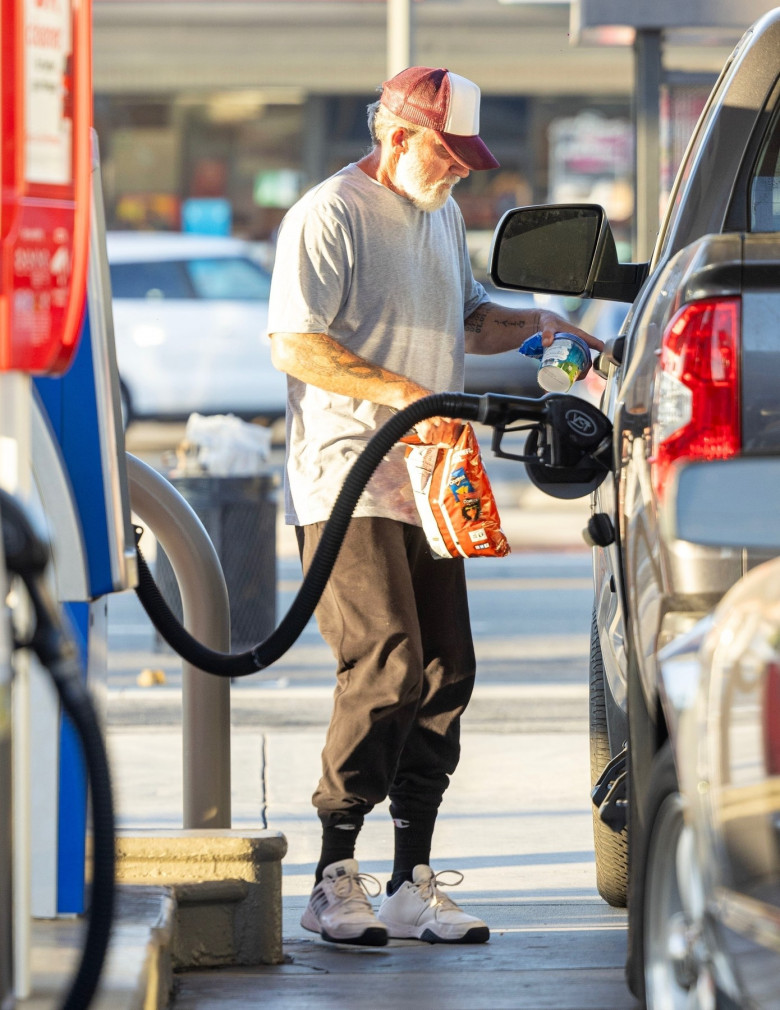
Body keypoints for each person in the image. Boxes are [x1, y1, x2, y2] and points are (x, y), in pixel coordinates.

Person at [267, 66, 602, 948]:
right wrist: (408, 400)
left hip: (432, 474)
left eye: (465, 160)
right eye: (446, 154)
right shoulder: (328, 214)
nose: (457, 172)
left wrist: (546, 327)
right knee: (387, 664)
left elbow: (468, 316)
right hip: (349, 474)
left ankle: (412, 879)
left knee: (447, 671)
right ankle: (334, 874)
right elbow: (297, 343)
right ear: (394, 132)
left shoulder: (440, 215)